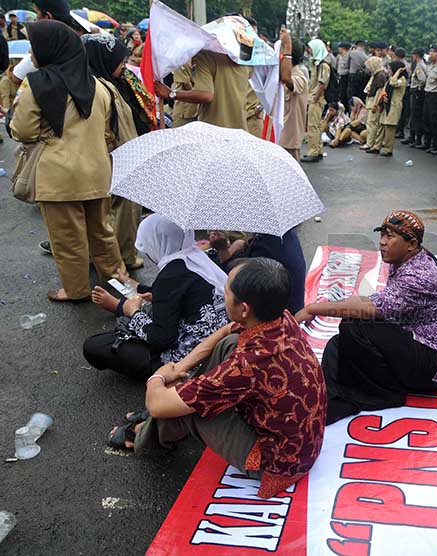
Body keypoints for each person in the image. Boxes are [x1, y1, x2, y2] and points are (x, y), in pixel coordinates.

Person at [120, 258, 326, 502]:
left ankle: (145, 439)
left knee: (192, 410)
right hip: (300, 444)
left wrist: (159, 376)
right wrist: (181, 367)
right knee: (227, 344)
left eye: (226, 292)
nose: (221, 294)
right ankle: (168, 409)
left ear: (245, 308)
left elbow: (156, 403)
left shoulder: (246, 365)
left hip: (277, 464)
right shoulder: (279, 318)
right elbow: (226, 332)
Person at [295, 211, 437, 424]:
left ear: (411, 244)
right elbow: (378, 303)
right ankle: (330, 397)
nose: (382, 242)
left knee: (354, 325)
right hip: (414, 344)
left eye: (390, 237)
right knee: (340, 343)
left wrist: (312, 309)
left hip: (430, 366)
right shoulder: (407, 258)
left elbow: (367, 308)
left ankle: (383, 394)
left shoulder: (419, 276)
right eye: (382, 235)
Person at [11, 20, 123, 302]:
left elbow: (22, 131)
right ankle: (117, 281)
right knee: (103, 232)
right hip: (97, 171)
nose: (33, 54)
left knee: (67, 239)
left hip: (59, 176)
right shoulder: (99, 86)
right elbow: (108, 130)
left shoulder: (38, 85)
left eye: (35, 48)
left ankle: (76, 290)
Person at [84, 214, 229, 379]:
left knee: (94, 346)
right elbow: (177, 294)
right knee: (150, 310)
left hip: (189, 363)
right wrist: (136, 285)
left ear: (157, 243)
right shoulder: (197, 258)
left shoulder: (170, 276)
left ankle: (120, 307)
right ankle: (121, 307)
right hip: (220, 349)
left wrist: (133, 312)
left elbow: (162, 339)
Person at [82, 33, 157, 272]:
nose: (124, 65)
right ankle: (120, 257)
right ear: (102, 59)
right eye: (119, 60)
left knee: (121, 208)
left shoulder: (117, 81)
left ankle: (114, 254)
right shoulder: (96, 87)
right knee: (118, 208)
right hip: (113, 154)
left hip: (125, 152)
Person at [154, 48, 250, 132]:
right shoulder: (244, 58)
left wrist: (171, 94)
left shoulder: (204, 56)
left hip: (213, 129)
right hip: (239, 127)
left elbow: (206, 95)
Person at [277, 29, 308, 161]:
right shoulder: (277, 75)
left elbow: (286, 78)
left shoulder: (300, 75)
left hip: (289, 140)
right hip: (279, 137)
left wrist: (287, 47)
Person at [301, 38, 331, 163]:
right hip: (314, 98)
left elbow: (322, 84)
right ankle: (317, 149)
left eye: (310, 48)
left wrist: (314, 99)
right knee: (316, 126)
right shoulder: (316, 64)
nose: (308, 51)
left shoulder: (323, 65)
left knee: (313, 126)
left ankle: (313, 151)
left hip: (316, 99)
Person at [371, 60, 407, 156]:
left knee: (390, 129)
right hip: (387, 105)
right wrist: (383, 97)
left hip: (394, 106)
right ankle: (376, 147)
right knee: (381, 126)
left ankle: (388, 149)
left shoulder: (402, 80)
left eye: (391, 69)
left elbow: (393, 83)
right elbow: (385, 89)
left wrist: (398, 72)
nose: (389, 70)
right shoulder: (390, 78)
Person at [420, 45, 437, 153]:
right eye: (430, 51)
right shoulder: (429, 66)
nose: (431, 54)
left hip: (436, 96)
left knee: (434, 121)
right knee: (426, 118)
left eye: (433, 52)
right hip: (427, 94)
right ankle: (427, 142)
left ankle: (434, 144)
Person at [360, 55, 387, 153]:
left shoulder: (380, 75)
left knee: (372, 123)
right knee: (371, 123)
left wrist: (376, 104)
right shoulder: (377, 74)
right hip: (372, 101)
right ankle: (371, 142)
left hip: (374, 102)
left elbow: (379, 92)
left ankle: (370, 143)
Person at [401, 47, 427, 147]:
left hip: (416, 92)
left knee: (416, 115)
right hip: (416, 91)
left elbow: (423, 80)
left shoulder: (419, 66)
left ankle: (417, 138)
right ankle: (412, 137)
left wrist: (419, 88)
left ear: (416, 55)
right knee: (413, 115)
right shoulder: (418, 65)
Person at [170, 62, 199, 128]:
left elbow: (186, 85)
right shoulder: (200, 60)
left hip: (184, 109)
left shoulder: (180, 62)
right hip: (196, 107)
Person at [336, 41, 351, 108]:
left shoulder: (348, 56)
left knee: (344, 95)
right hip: (339, 76)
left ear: (343, 48)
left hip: (345, 76)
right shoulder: (339, 56)